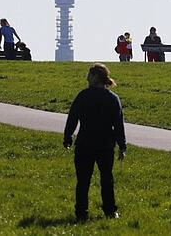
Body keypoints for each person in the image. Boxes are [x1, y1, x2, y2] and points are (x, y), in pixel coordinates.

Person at [63, 63, 127, 222]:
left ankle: (81, 213)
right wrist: (122, 145)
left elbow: (72, 119)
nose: (86, 78)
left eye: (89, 75)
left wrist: (68, 137)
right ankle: (110, 211)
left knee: (83, 181)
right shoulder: (112, 99)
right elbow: (118, 124)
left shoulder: (83, 96)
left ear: (96, 77)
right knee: (107, 179)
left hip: (84, 143)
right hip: (105, 145)